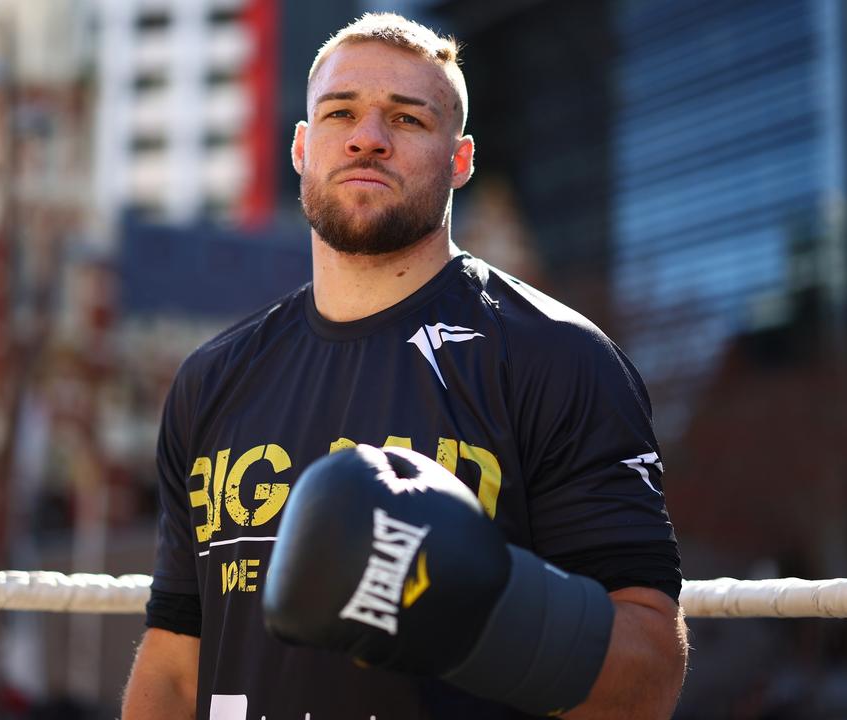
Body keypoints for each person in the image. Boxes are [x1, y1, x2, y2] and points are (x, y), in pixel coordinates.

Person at [122, 12, 687, 719]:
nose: (367, 137)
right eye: (340, 113)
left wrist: (487, 612)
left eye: (408, 120)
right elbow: (176, 666)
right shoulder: (210, 379)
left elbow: (650, 675)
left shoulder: (560, 359)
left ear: (460, 159)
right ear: (302, 147)